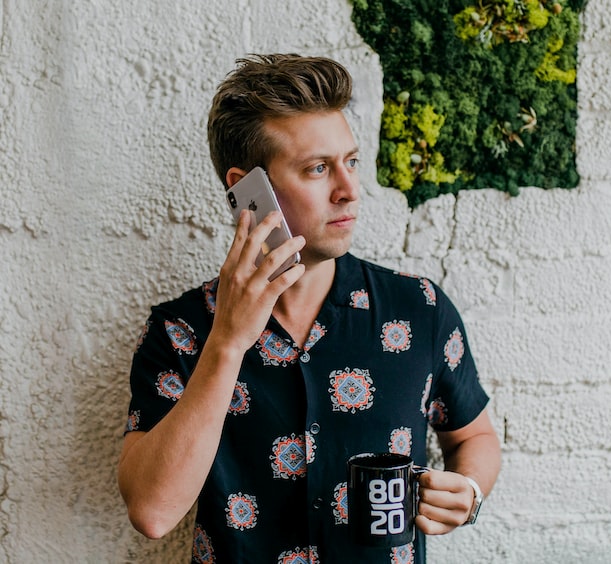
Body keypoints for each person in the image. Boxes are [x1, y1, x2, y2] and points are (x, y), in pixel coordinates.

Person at [117, 54, 501, 564]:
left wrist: (469, 489)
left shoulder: (420, 309)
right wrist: (228, 342)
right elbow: (153, 512)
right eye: (318, 169)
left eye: (351, 161)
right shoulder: (181, 331)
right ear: (248, 192)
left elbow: (473, 434)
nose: (349, 190)